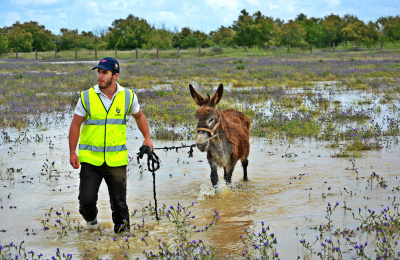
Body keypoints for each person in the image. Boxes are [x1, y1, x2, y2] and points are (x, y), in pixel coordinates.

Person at [68, 57, 153, 233]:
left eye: (104, 72)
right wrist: (72, 152)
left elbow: (139, 116)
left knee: (120, 205)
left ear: (115, 75)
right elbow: (75, 124)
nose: (100, 76)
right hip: (91, 160)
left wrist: (147, 138)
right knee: (86, 203)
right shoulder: (86, 96)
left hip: (116, 161)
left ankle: (122, 244)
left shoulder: (128, 96)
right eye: (98, 72)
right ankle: (92, 223)